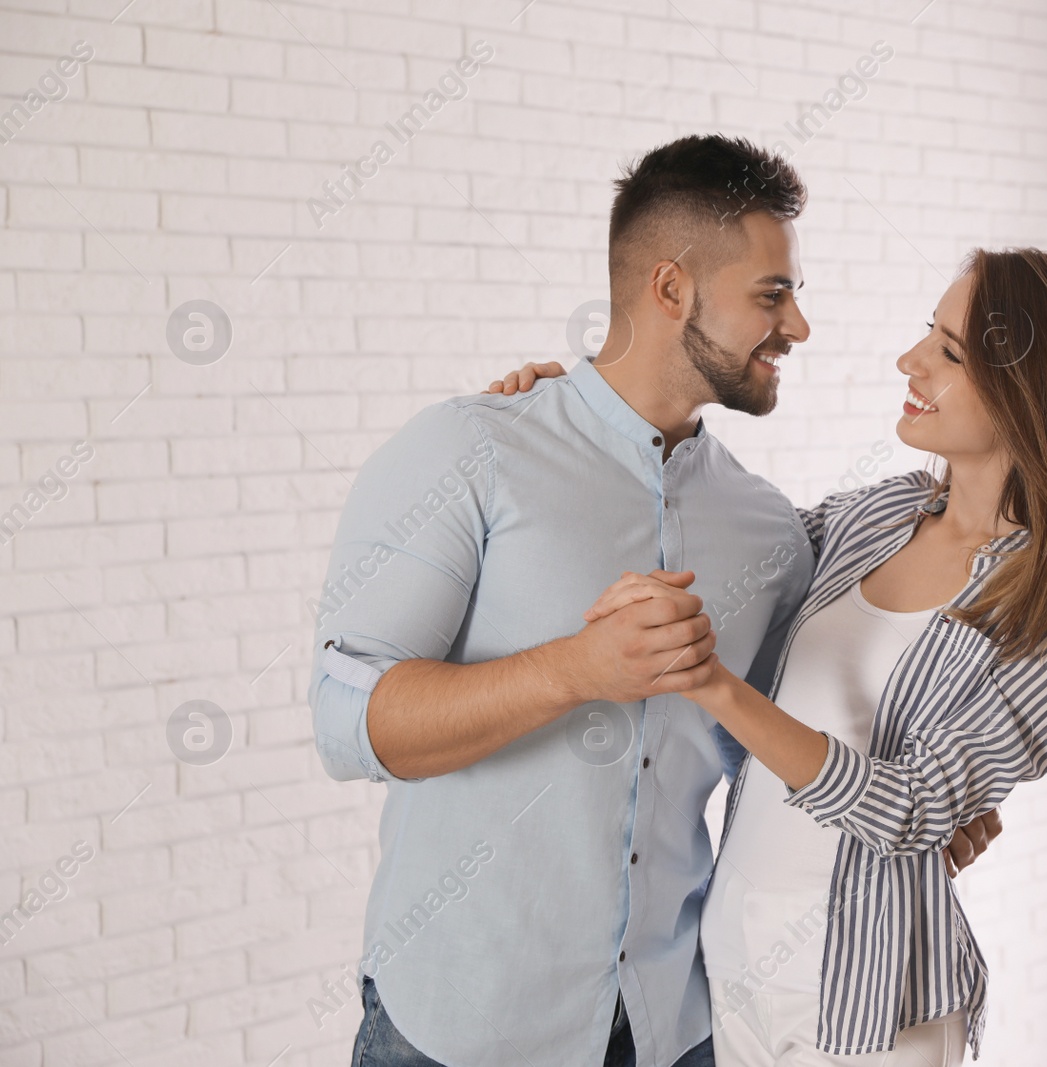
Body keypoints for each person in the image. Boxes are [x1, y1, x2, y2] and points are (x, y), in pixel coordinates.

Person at [310, 134, 997, 1067]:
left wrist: (927, 806)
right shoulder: (468, 452)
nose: (798, 327)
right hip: (457, 1030)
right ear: (670, 290)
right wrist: (574, 669)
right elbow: (351, 724)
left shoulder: (768, 531)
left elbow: (789, 740)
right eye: (772, 294)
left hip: (677, 1028)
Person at [486, 245, 1047, 1064]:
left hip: (873, 999)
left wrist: (712, 685)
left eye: (950, 353)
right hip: (730, 957)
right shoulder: (881, 514)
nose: (910, 360)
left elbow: (908, 807)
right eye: (930, 331)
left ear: (1037, 392)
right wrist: (577, 427)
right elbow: (718, 544)